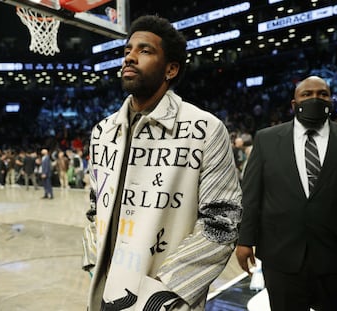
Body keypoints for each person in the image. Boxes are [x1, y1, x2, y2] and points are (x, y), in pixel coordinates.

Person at [81, 15, 242, 311]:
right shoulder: (103, 131)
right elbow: (94, 205)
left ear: (171, 69)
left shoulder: (206, 128)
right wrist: (94, 262)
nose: (130, 57)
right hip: (107, 290)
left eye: (145, 50)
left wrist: (161, 293)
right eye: (128, 50)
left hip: (166, 300)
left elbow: (222, 222)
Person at [236, 75, 337, 311]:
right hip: (281, 256)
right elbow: (251, 195)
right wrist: (245, 240)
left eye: (322, 94)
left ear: (332, 100)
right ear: (294, 103)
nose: (315, 99)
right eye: (307, 94)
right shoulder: (266, 139)